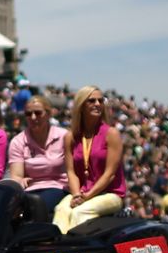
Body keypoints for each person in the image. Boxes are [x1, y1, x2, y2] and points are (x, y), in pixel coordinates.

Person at [54, 86, 126, 232]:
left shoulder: (111, 134)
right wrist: (75, 195)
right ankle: (57, 250)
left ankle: (77, 251)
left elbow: (110, 174)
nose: (98, 104)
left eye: (100, 100)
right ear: (81, 106)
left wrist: (87, 196)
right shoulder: (70, 137)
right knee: (61, 210)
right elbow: (71, 171)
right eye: (91, 101)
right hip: (80, 192)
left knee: (80, 212)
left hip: (110, 194)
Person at [5, 94, 69, 218]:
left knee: (36, 208)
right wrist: (20, 180)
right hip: (30, 190)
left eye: (38, 113)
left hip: (58, 187)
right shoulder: (18, 141)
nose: (33, 117)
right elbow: (16, 176)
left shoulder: (64, 136)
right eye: (28, 114)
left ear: (49, 114)